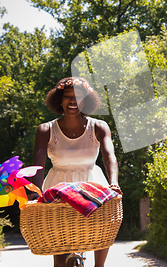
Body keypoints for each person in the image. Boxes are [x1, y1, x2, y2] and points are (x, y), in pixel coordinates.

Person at [29, 77, 121, 267]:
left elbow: (109, 156)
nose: (73, 101)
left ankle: (99, 266)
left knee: (101, 230)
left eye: (79, 97)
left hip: (92, 184)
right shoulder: (46, 130)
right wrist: (34, 192)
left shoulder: (99, 127)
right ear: (59, 101)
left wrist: (114, 183)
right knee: (60, 250)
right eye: (68, 97)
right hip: (58, 188)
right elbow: (38, 165)